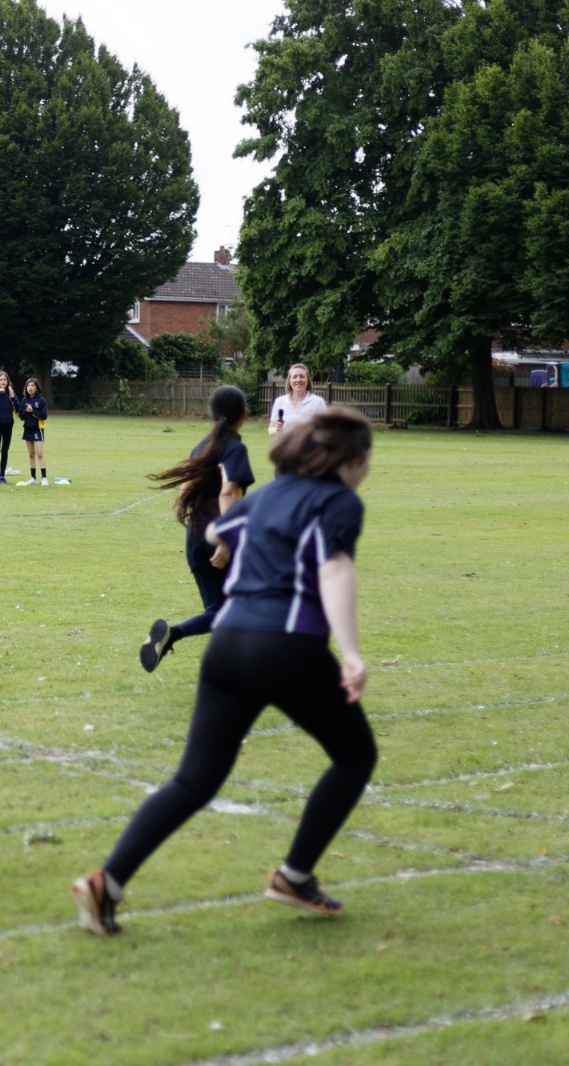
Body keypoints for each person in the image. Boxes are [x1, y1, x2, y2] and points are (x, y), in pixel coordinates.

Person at [72, 408, 376, 935]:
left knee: (194, 780)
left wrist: (241, 543)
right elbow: (335, 569)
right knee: (356, 756)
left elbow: (220, 529)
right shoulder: (339, 501)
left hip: (228, 645)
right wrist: (351, 653)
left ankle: (107, 882)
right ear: (349, 459)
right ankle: (293, 876)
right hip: (286, 646)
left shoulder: (268, 496)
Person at [139, 385, 254, 672]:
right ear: (244, 414)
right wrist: (226, 539)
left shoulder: (202, 447)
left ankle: (174, 636)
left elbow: (185, 492)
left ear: (211, 414)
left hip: (195, 537)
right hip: (219, 539)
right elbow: (227, 493)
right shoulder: (235, 449)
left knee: (221, 610)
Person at [267, 363, 327, 436]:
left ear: (307, 381)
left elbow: (326, 430)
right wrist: (276, 430)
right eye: (294, 377)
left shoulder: (317, 402)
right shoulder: (280, 401)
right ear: (290, 381)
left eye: (302, 376)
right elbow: (271, 429)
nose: (298, 380)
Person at [18, 377, 48, 485]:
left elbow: (44, 415)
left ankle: (44, 478)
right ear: (26, 388)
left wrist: (33, 411)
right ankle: (33, 478)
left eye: (32, 386)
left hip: (38, 430)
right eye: (28, 386)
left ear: (36, 388)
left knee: (39, 453)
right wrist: (27, 411)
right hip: (28, 429)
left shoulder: (41, 400)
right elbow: (21, 416)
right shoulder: (24, 400)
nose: (30, 388)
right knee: (31, 454)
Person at [0, 370, 17, 485]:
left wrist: (13, 396)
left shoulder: (11, 393)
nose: (3, 381)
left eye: (5, 379)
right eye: (0, 380)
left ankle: (2, 475)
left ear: (7, 381)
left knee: (5, 451)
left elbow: (18, 407)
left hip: (9, 425)